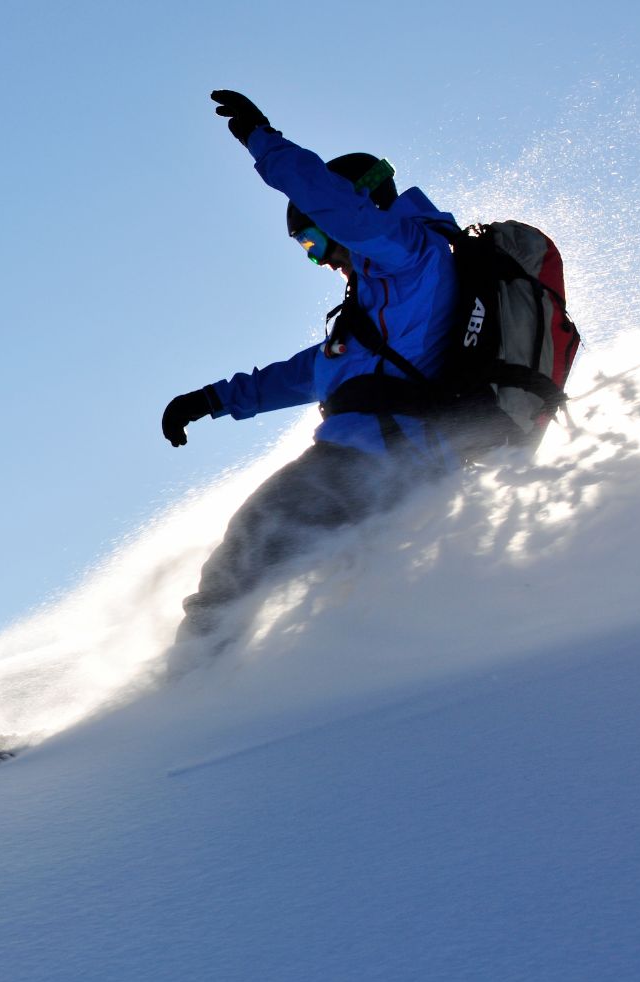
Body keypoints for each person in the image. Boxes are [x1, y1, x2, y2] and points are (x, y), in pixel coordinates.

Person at [159, 89, 467, 666]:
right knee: (329, 588)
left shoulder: (410, 254)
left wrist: (261, 139)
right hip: (398, 473)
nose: (316, 257)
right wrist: (208, 400)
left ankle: (176, 700)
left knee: (245, 549)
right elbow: (306, 372)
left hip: (370, 464)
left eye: (312, 238)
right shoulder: (377, 323)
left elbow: (333, 205)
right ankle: (295, 705)